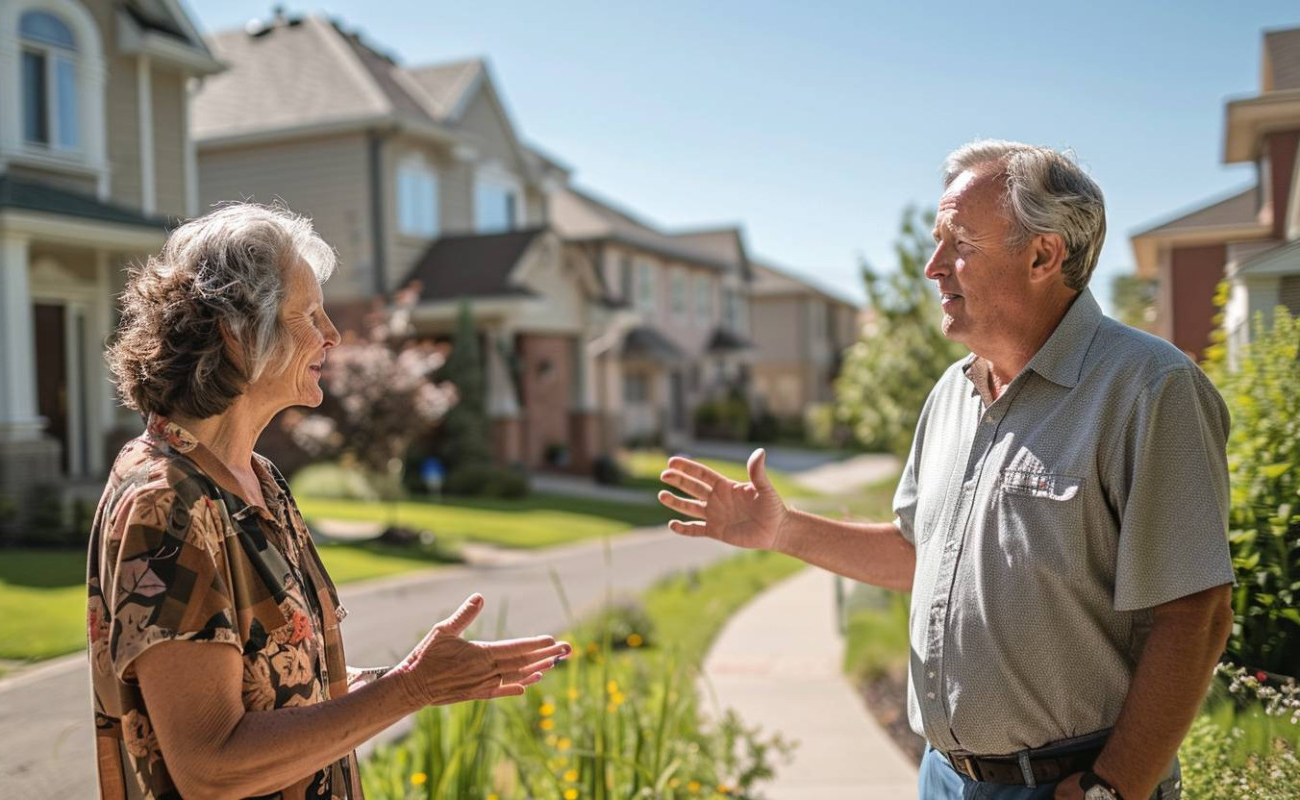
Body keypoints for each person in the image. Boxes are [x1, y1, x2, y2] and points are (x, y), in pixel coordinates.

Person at [659, 141, 1234, 800]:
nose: (933, 267)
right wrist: (782, 530)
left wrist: (1113, 787)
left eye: (959, 243)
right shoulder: (951, 394)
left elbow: (1197, 615)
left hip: (1072, 783)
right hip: (942, 777)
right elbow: (916, 554)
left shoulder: (1148, 388)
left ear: (1043, 256)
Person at [88, 203, 569, 799]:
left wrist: (413, 677)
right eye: (309, 315)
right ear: (236, 333)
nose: (333, 335)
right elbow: (211, 765)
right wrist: (409, 690)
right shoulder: (166, 503)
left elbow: (285, 686)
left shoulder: (258, 480)